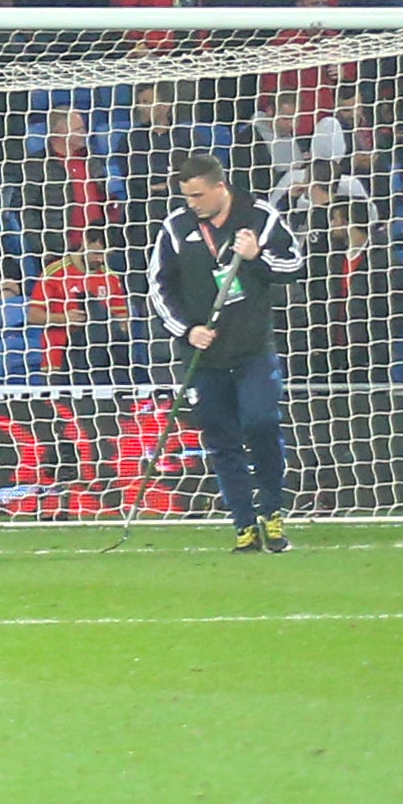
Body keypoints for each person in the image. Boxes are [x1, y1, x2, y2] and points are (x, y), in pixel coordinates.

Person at [146, 150, 309, 552]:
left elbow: (294, 265)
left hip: (253, 348)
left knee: (261, 423)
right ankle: (243, 523)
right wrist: (187, 331)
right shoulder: (176, 227)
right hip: (205, 355)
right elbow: (158, 287)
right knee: (221, 439)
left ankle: (272, 512)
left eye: (199, 196)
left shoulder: (259, 216)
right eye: (187, 197)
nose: (192, 204)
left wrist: (258, 258)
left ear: (220, 187)